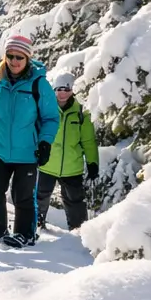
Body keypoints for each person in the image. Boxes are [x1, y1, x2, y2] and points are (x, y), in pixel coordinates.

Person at [0, 32, 60, 248]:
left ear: (27, 59)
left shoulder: (39, 84)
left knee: (23, 196)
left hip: (27, 151)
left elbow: (52, 117)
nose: (14, 61)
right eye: (10, 56)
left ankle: (25, 234)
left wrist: (45, 142)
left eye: (19, 57)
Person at [36, 73, 99, 231]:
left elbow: (88, 141)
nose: (62, 93)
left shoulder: (81, 113)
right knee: (40, 197)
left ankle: (79, 231)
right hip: (47, 164)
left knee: (75, 200)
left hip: (72, 167)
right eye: (59, 89)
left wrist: (92, 162)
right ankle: (35, 225)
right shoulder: (46, 109)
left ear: (72, 90)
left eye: (66, 89)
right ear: (54, 90)